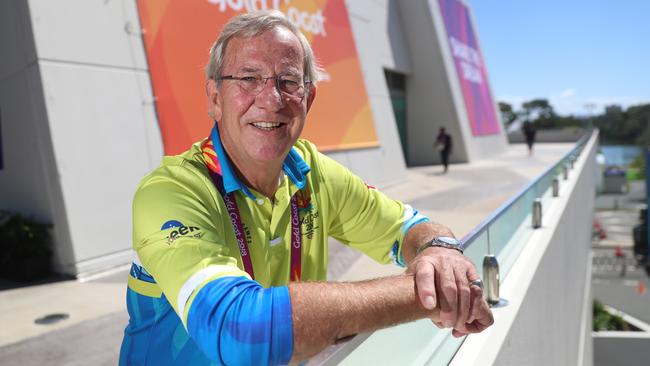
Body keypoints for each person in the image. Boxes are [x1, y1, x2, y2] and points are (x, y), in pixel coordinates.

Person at [119, 11, 493, 365]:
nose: (271, 99)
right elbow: (241, 333)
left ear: (308, 99)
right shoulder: (171, 191)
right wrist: (436, 294)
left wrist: (440, 250)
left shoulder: (310, 169)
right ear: (215, 98)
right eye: (248, 78)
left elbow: (408, 227)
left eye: (288, 81)